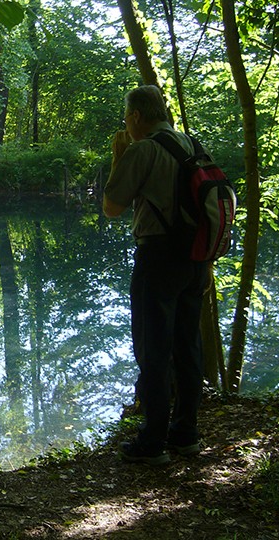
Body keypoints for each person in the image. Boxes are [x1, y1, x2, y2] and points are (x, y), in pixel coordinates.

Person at [102, 85, 210, 465]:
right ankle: (186, 434)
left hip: (159, 257)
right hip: (197, 258)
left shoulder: (143, 149)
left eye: (126, 119)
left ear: (134, 117)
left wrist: (119, 159)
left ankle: (152, 442)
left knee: (152, 348)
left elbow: (112, 207)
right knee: (187, 346)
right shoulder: (191, 144)